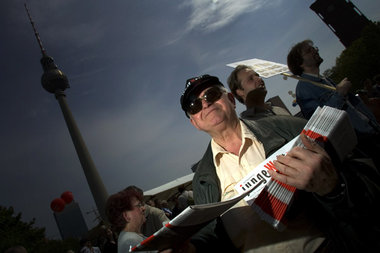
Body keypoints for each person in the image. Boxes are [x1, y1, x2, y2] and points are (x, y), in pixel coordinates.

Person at [179, 74, 380, 252]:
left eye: (211, 95)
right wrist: (192, 248)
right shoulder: (202, 180)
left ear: (231, 99)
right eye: (195, 106)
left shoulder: (288, 128)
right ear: (194, 123)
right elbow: (212, 235)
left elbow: (364, 177)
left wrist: (333, 187)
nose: (205, 104)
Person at [286, 39, 380, 138]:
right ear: (299, 62)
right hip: (361, 139)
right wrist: (339, 94)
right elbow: (319, 122)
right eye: (309, 51)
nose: (315, 51)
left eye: (314, 48)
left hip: (372, 128)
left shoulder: (325, 79)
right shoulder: (304, 90)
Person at [105, 187, 156, 253]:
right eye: (139, 205)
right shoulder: (130, 242)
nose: (143, 208)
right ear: (126, 216)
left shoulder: (132, 237)